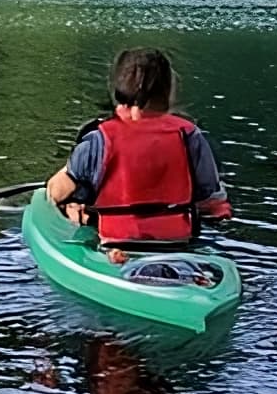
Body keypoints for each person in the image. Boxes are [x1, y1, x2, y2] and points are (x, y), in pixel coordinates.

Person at [45, 46, 231, 258]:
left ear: (119, 88)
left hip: (116, 241)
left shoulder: (98, 139)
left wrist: (68, 178)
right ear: (168, 91)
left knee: (74, 204)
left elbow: (56, 192)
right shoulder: (190, 136)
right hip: (177, 242)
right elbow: (208, 196)